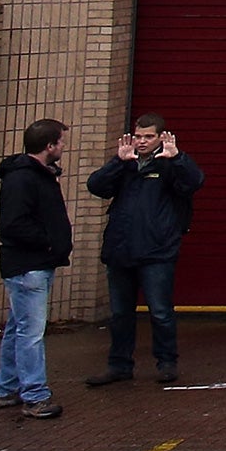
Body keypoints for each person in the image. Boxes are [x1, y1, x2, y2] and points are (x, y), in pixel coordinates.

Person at [86, 113, 204, 386]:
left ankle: (166, 362)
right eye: (138, 136)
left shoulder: (169, 165)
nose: (141, 142)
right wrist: (118, 161)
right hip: (120, 250)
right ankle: (119, 365)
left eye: (148, 137)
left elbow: (194, 182)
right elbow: (96, 186)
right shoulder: (125, 166)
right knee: (120, 314)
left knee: (160, 311)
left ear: (161, 137)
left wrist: (177, 158)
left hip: (156, 251)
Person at [0, 117, 72, 420]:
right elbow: (13, 224)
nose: (63, 147)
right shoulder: (23, 179)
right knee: (31, 333)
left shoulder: (36, 175)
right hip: (29, 267)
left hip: (30, 265)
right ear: (50, 145)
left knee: (18, 328)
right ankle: (34, 395)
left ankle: (7, 388)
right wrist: (49, 243)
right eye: (61, 142)